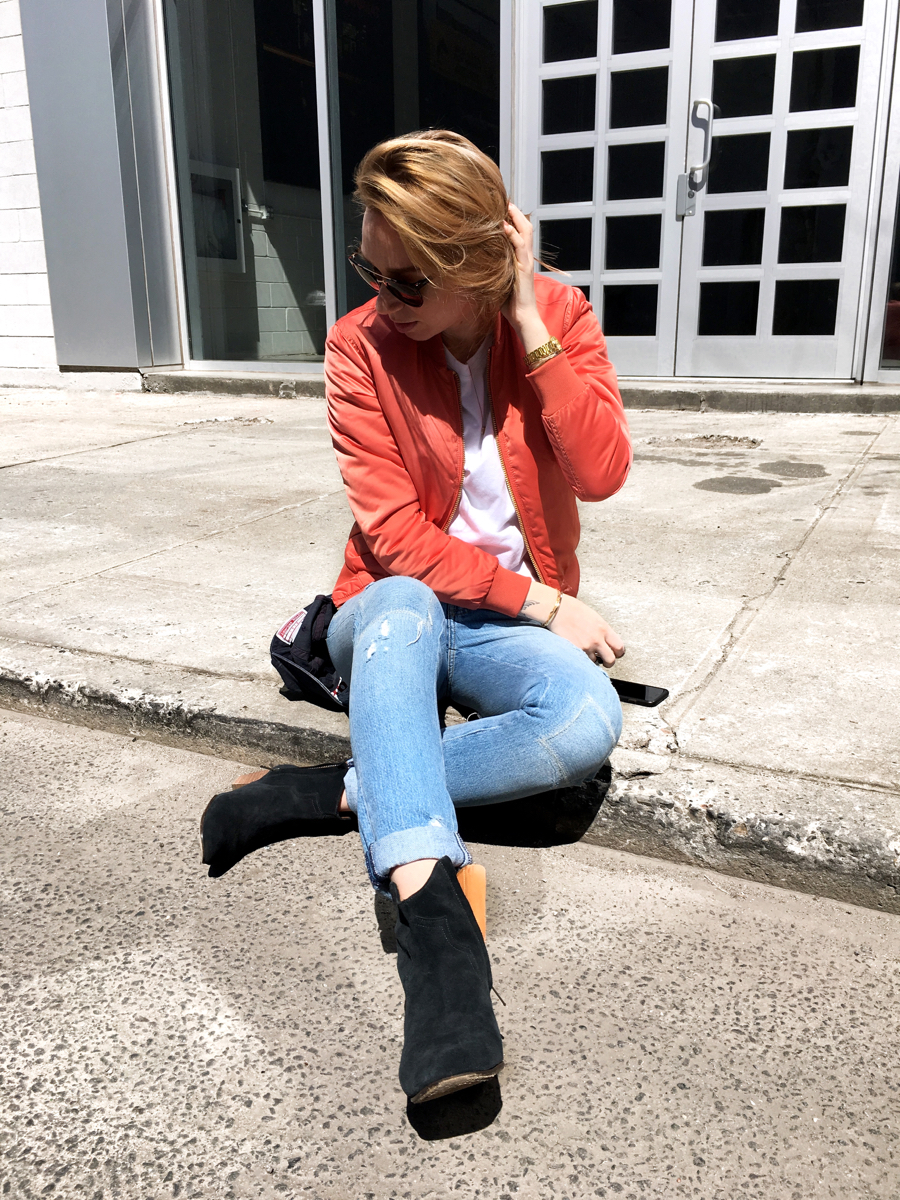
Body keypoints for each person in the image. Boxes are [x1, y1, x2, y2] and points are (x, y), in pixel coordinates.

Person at [201, 129, 631, 1105]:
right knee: (397, 600)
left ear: (481, 262)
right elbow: (393, 536)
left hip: (499, 623)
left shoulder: (556, 314)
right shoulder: (360, 347)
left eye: (406, 283)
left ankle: (335, 790)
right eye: (370, 269)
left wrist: (528, 316)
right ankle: (437, 939)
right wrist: (545, 599)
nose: (379, 300)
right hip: (392, 611)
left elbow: (602, 471)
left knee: (582, 723)